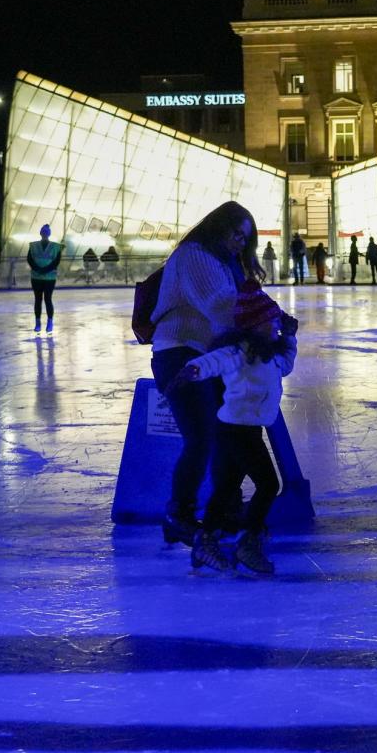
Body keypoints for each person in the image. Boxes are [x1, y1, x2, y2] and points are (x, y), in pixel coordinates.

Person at [148, 201, 258, 546]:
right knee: (202, 437)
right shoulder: (194, 255)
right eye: (236, 234)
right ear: (218, 225)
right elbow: (223, 309)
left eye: (245, 239)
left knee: (231, 434)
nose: (240, 243)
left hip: (210, 357)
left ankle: (225, 506)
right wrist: (263, 324)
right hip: (179, 354)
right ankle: (178, 515)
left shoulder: (222, 261)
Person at [172, 282, 298, 575]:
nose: (275, 325)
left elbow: (287, 365)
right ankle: (247, 541)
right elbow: (214, 361)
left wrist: (290, 338)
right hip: (235, 429)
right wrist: (194, 369)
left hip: (246, 429)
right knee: (268, 484)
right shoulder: (239, 353)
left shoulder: (270, 352)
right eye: (271, 321)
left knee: (227, 487)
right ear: (255, 326)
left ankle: (205, 541)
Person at [26, 224, 62, 331]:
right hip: (37, 277)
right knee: (38, 299)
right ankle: (38, 323)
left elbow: (56, 261)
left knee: (47, 299)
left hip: (48, 278)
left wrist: (43, 269)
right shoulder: (33, 246)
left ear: (48, 234)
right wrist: (38, 269)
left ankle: (49, 322)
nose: (45, 234)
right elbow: (30, 259)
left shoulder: (56, 247)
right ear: (41, 233)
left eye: (46, 233)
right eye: (44, 232)